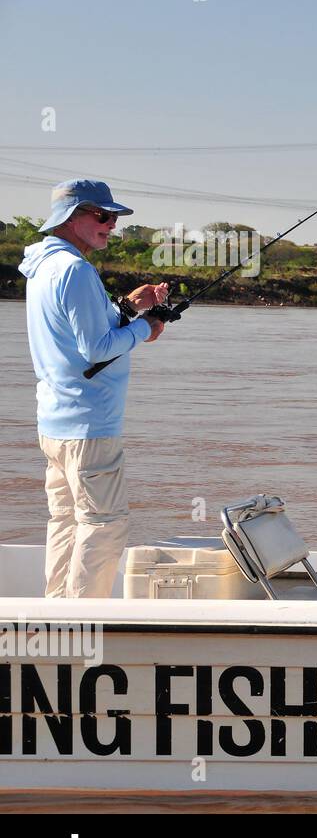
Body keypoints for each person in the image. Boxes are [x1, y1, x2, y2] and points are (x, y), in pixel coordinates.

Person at [19, 179, 170, 598]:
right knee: (105, 523)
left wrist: (127, 308)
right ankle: (83, 619)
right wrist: (145, 327)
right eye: (103, 215)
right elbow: (96, 347)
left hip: (55, 424)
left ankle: (56, 615)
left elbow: (79, 331)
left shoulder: (44, 266)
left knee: (67, 520)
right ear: (72, 217)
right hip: (89, 427)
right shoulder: (75, 269)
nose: (112, 224)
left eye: (114, 217)